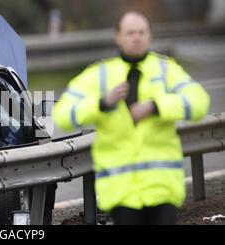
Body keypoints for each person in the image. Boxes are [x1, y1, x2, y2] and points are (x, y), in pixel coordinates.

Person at [53, 10, 210, 225]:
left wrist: (156, 106)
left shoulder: (167, 69)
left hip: (162, 189)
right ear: (118, 37)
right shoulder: (100, 74)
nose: (136, 37)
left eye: (141, 32)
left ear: (149, 36)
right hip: (122, 193)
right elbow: (63, 115)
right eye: (130, 33)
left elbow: (200, 102)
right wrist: (102, 103)